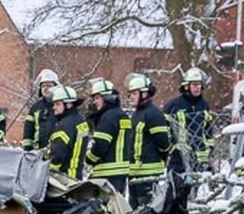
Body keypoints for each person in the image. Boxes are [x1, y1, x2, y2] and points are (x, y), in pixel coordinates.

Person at [124, 73, 172, 206]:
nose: (131, 97)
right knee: (133, 209)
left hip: (148, 172)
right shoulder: (137, 114)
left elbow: (163, 143)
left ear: (144, 94)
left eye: (134, 94)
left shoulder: (153, 114)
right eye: (130, 94)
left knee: (145, 211)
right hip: (135, 171)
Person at [162, 67, 215, 176]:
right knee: (176, 188)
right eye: (194, 85)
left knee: (195, 189)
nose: (197, 88)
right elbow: (165, 129)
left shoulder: (204, 106)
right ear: (186, 86)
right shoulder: (173, 106)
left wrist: (209, 150)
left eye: (199, 84)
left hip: (200, 157)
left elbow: (208, 130)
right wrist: (171, 148)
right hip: (179, 156)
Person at [85, 77, 131, 192]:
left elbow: (100, 145)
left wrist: (89, 158)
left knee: (106, 209)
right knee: (117, 207)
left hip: (106, 174)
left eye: (97, 98)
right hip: (120, 173)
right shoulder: (121, 115)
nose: (95, 102)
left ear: (107, 98)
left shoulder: (107, 117)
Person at [47, 85, 90, 179]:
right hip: (76, 176)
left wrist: (48, 171)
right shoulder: (80, 121)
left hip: (63, 179)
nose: (54, 107)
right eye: (54, 104)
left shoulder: (65, 125)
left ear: (69, 104)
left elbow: (57, 154)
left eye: (58, 104)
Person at [22, 68, 60, 153]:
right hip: (38, 151)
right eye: (43, 86)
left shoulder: (61, 106)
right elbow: (28, 129)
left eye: (49, 85)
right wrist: (27, 149)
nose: (46, 88)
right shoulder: (35, 107)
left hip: (56, 150)